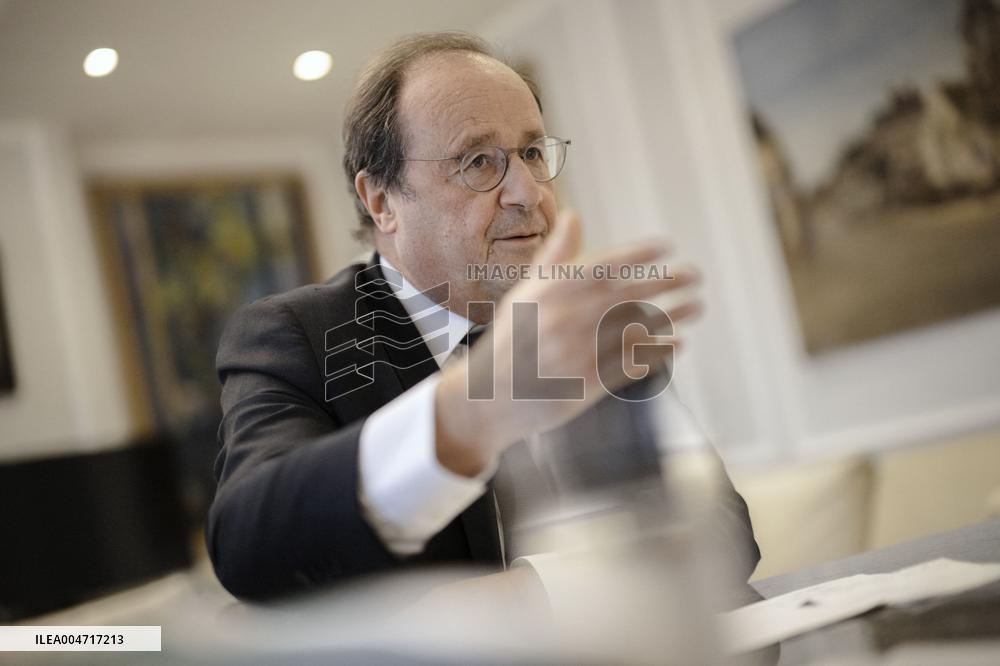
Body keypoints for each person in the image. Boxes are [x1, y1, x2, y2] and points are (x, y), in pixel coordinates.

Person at [208, 31, 759, 601]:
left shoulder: (585, 320)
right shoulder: (297, 336)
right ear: (382, 201)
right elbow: (250, 547)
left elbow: (723, 529)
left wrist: (538, 598)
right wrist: (477, 407)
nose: (529, 192)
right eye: (477, 161)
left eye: (532, 153)